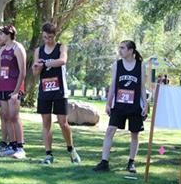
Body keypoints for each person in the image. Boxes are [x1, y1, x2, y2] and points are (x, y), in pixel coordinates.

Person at [93, 40, 147, 173]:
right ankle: (104, 162)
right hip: (119, 105)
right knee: (110, 131)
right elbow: (113, 85)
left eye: (123, 48)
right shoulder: (116, 65)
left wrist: (145, 104)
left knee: (134, 134)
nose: (120, 50)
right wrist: (108, 103)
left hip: (134, 106)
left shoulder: (141, 65)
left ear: (130, 51)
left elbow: (142, 86)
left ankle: (131, 162)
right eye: (120, 47)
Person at [32, 22, 81, 164]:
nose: (48, 40)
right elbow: (35, 72)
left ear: (55, 36)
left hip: (60, 91)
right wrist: (37, 67)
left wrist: (46, 63)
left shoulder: (61, 47)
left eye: (51, 37)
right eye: (46, 37)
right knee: (46, 122)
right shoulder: (38, 51)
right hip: (44, 91)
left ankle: (71, 149)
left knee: (62, 122)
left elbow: (62, 61)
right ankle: (48, 154)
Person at [0, 25, 26, 159]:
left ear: (8, 34)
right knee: (5, 116)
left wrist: (17, 91)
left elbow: (22, 72)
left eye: (1, 34)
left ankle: (20, 147)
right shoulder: (1, 51)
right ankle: (11, 146)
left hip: (14, 88)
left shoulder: (18, 48)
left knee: (14, 116)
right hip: (3, 87)